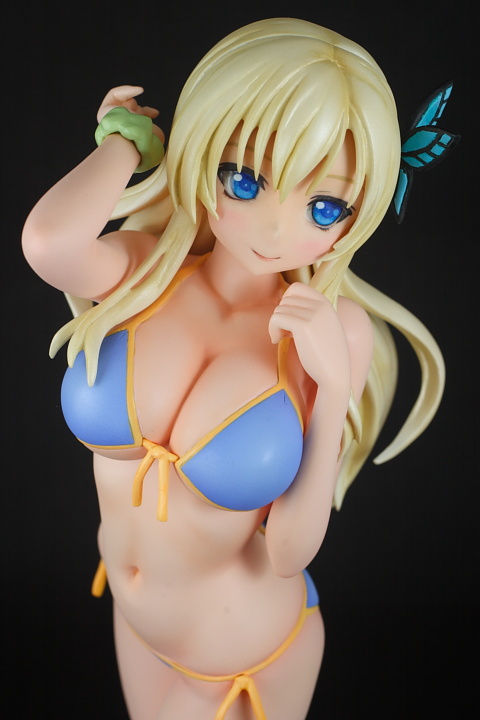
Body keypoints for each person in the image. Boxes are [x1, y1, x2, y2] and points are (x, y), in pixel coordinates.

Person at [22, 17, 444, 720]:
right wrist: (125, 143)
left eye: (324, 206)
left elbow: (288, 552)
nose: (277, 231)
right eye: (245, 180)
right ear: (202, 150)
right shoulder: (148, 272)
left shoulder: (326, 331)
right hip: (135, 623)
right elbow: (49, 245)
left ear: (359, 214)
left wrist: (335, 390)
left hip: (244, 656)